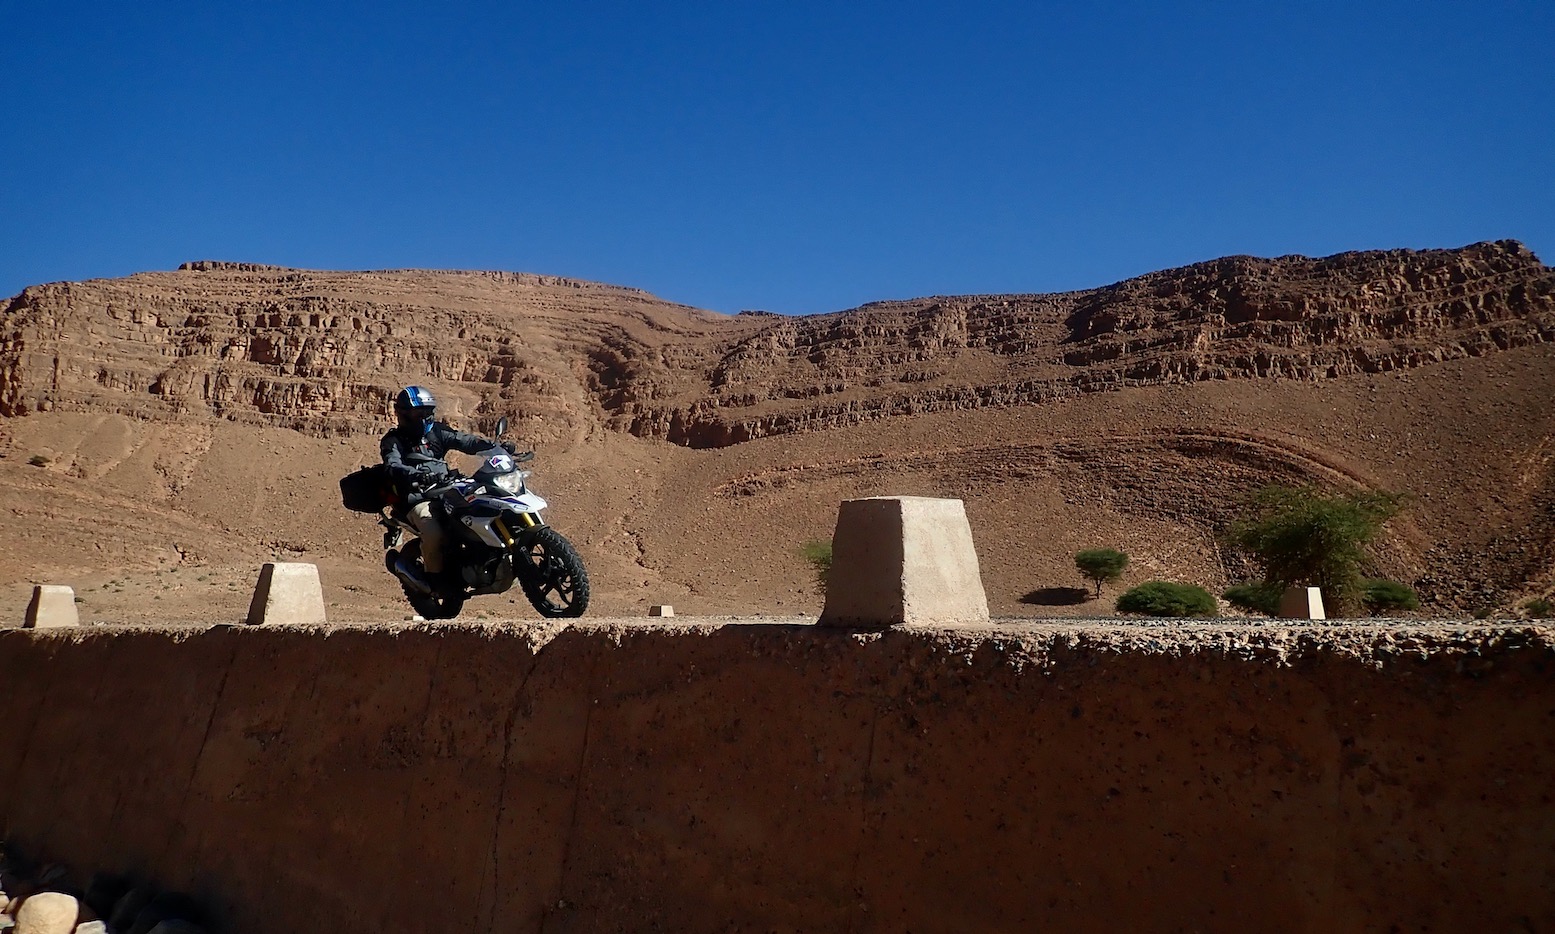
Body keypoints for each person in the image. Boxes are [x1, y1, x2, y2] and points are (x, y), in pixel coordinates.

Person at [380, 385, 514, 585]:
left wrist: (493, 448)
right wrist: (416, 475)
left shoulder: (436, 432)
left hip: (445, 489)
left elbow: (464, 441)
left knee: (483, 507)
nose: (424, 417)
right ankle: (435, 581)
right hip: (416, 497)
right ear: (404, 414)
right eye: (418, 413)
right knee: (435, 531)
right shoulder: (393, 441)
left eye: (427, 412)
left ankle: (484, 557)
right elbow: (393, 465)